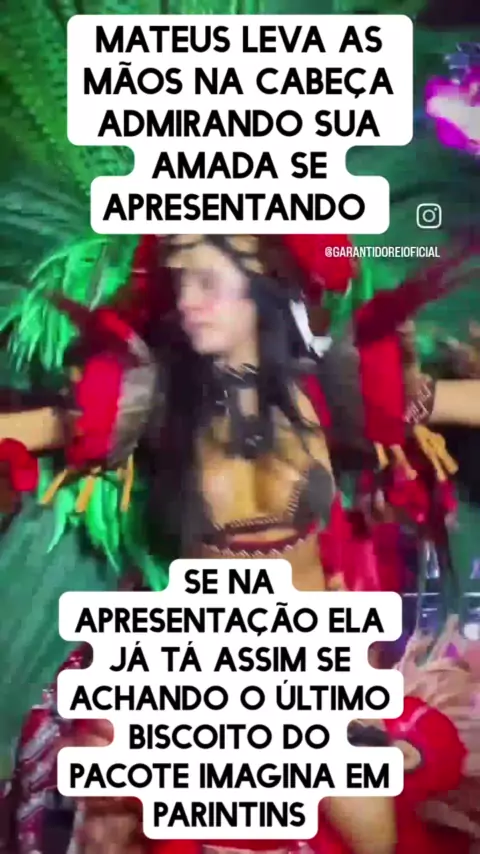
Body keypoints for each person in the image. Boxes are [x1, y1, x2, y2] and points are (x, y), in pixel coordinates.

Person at [1, 233, 479, 854]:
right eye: (180, 282)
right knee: (129, 829)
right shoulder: (156, 403)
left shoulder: (329, 394)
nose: (188, 301)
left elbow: (457, 402)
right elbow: (38, 428)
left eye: (208, 282)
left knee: (375, 835)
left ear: (264, 287)